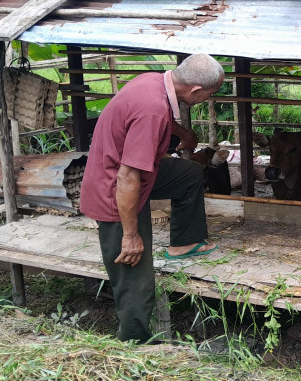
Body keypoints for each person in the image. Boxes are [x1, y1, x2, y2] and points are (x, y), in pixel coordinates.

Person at [79, 53, 225, 343]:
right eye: (211, 93)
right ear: (196, 91)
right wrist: (131, 235)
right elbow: (128, 176)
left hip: (136, 174)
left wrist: (182, 131)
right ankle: (135, 344)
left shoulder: (154, 82)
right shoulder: (153, 109)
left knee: (189, 174)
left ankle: (185, 242)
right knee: (136, 278)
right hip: (117, 192)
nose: (210, 98)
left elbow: (153, 123)